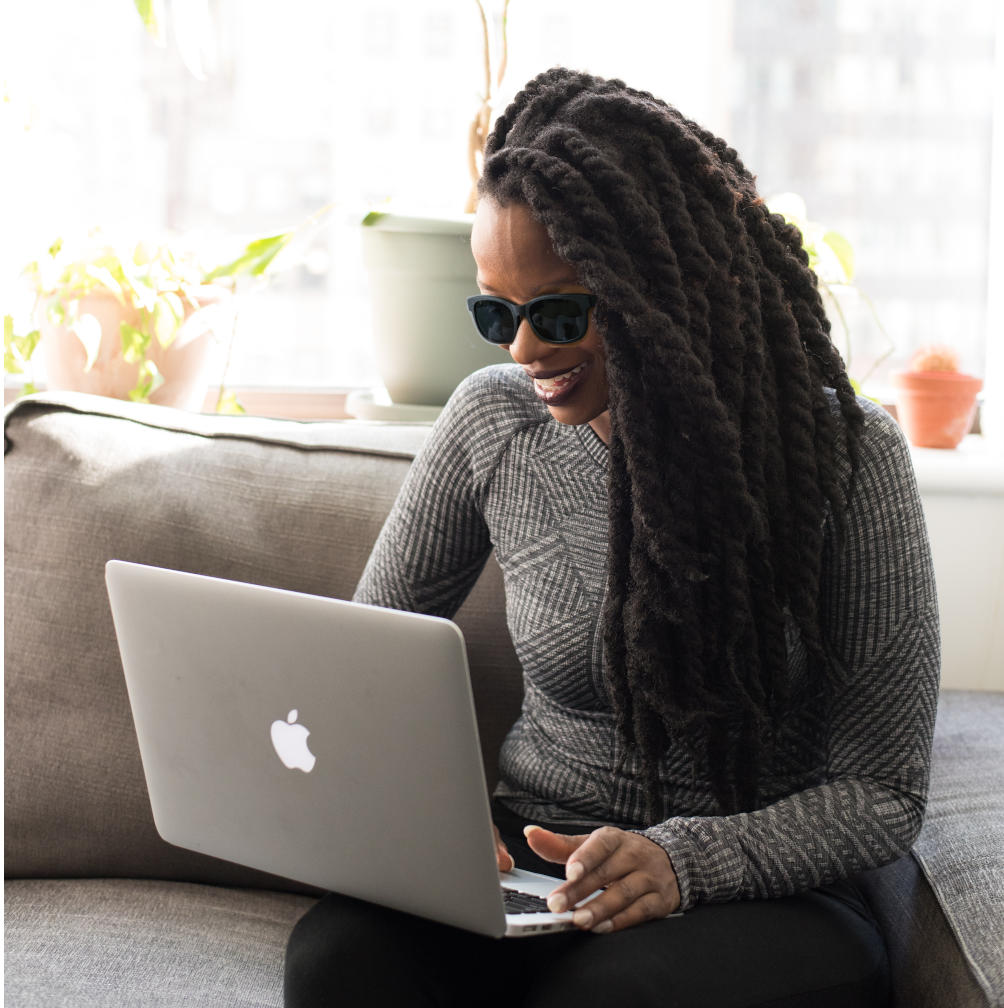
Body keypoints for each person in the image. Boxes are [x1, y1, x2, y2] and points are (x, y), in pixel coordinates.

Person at [284, 67, 939, 1007]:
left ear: (661, 288)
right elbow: (357, 662)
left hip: (756, 890)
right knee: (336, 964)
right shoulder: (491, 426)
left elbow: (884, 792)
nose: (522, 350)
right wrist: (431, 825)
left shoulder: (848, 459)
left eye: (558, 313)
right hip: (537, 858)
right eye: (495, 314)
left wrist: (683, 862)